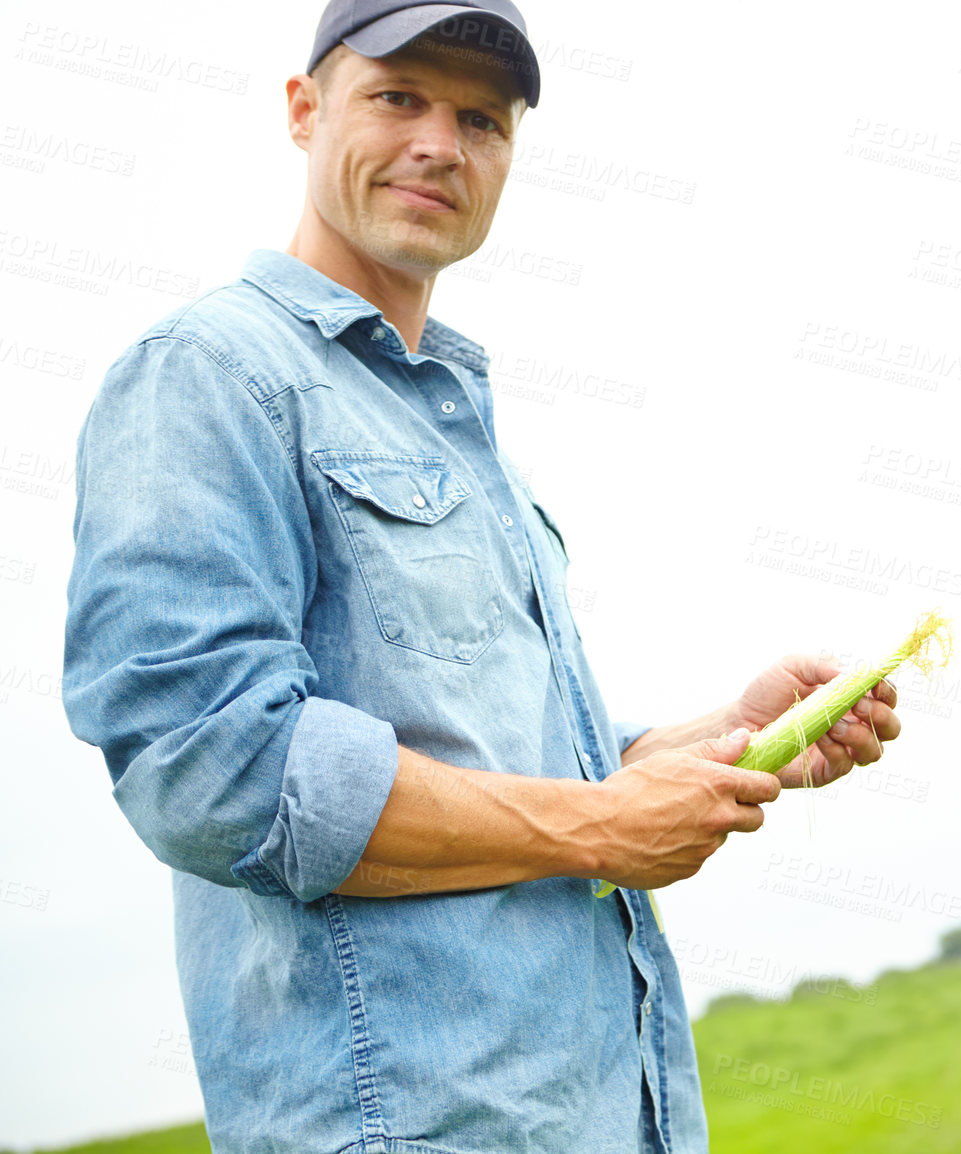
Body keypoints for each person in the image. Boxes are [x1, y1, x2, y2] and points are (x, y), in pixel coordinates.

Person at [59, 2, 902, 1150]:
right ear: (304, 111)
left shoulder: (450, 423)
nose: (442, 144)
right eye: (398, 97)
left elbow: (493, 770)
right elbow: (211, 762)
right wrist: (603, 822)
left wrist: (710, 746)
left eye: (481, 119)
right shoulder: (208, 375)